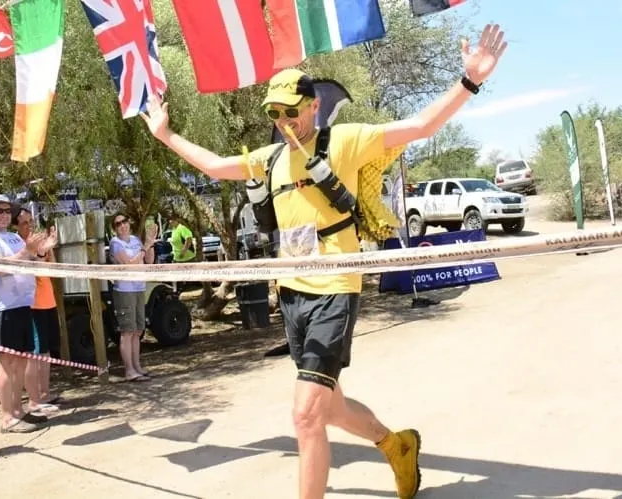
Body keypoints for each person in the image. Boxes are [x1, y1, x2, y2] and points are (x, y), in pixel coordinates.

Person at [141, 25, 508, 499]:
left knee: (304, 413)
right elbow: (214, 165)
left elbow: (420, 127)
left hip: (335, 287)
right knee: (328, 407)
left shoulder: (345, 142)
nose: (284, 121)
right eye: (275, 113)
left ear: (313, 106)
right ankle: (396, 445)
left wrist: (469, 81)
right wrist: (165, 133)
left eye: (292, 111)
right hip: (291, 292)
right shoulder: (268, 159)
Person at [0, 194, 58, 433]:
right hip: (2, 307)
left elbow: (31, 260)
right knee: (8, 362)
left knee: (21, 360)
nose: (3, 215)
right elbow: (1, 269)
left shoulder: (12, 237)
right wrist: (28, 251)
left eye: (7, 211)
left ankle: (19, 411)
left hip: (22, 305)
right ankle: (8, 417)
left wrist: (42, 251)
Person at [13, 208, 63, 410]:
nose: (30, 226)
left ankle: (45, 393)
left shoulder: (40, 243)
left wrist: (49, 248)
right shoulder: (19, 246)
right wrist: (41, 251)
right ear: (16, 226)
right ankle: (34, 400)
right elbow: (32, 266)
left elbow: (53, 268)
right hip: (32, 304)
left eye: (31, 221)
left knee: (46, 351)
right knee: (34, 353)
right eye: (24, 223)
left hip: (48, 301)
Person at [108, 213, 156, 381]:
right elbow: (129, 264)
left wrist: (150, 244)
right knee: (127, 331)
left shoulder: (136, 240)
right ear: (114, 228)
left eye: (125, 221)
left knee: (138, 330)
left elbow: (149, 261)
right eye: (118, 224)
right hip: (124, 290)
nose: (122, 225)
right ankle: (129, 370)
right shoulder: (115, 243)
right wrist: (144, 248)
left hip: (139, 287)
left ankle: (137, 367)